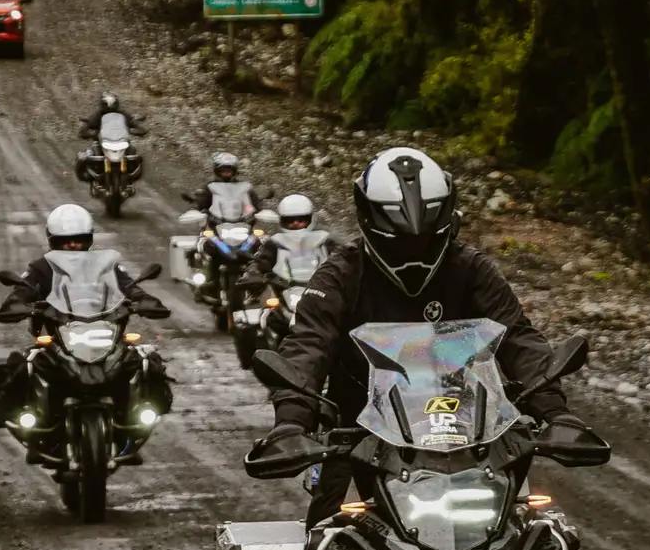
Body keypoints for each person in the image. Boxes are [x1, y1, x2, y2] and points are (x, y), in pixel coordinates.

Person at [250, 148, 596, 526]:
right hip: (361, 437)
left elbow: (518, 337)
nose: (414, 251)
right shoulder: (340, 276)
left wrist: (556, 412)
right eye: (400, 241)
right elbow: (308, 346)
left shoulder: (470, 268)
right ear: (369, 221)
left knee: (544, 537)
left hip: (474, 438)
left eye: (427, 239)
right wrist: (291, 422)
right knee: (326, 534)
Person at [0, 205, 171, 432]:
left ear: (89, 239)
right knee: (24, 363)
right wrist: (16, 303)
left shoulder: (106, 266)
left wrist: (145, 300)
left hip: (105, 333)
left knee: (144, 359)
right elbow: (23, 290)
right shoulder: (41, 268)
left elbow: (128, 286)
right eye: (65, 242)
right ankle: (24, 417)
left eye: (78, 240)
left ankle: (136, 415)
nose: (73, 246)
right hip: (61, 339)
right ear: (53, 241)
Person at [241, 193, 335, 288]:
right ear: (282, 220)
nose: (296, 223)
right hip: (283, 288)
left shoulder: (324, 240)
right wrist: (254, 272)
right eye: (290, 220)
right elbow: (263, 261)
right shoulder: (275, 241)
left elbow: (341, 260)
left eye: (301, 219)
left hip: (321, 288)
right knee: (264, 297)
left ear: (310, 218)